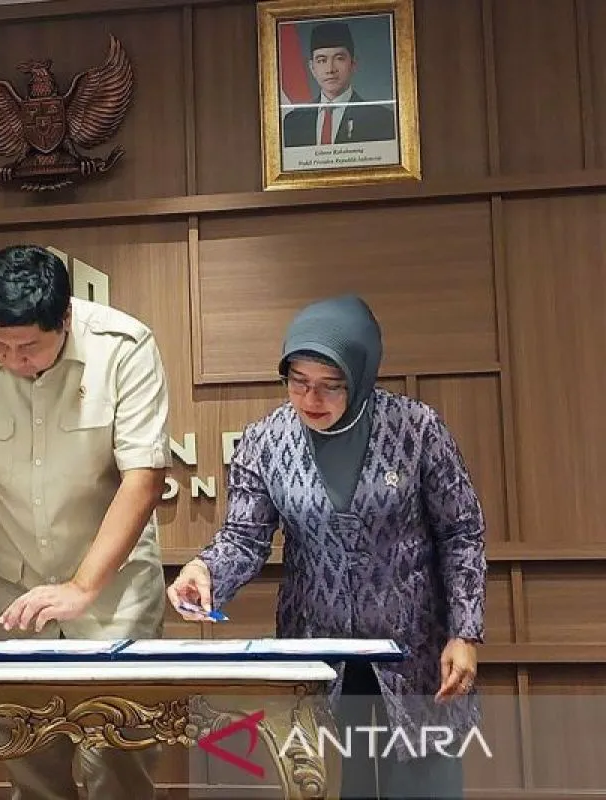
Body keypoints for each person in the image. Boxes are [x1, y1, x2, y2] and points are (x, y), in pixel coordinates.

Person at [168, 295, 486, 800]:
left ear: (360, 376)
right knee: (333, 785)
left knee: (425, 786)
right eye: (297, 381)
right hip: (318, 653)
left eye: (330, 384)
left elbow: (461, 533)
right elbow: (243, 537)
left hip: (417, 651)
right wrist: (206, 571)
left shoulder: (416, 429)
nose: (311, 398)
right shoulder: (266, 442)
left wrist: (464, 632)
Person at [0, 244, 171, 800]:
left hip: (114, 594)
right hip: (14, 593)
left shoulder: (124, 347)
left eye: (29, 346)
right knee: (28, 760)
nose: (13, 359)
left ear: (66, 319)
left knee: (117, 761)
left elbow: (143, 479)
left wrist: (82, 587)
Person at [281, 21, 397, 146]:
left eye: (339, 58)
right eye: (321, 60)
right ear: (312, 68)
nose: (330, 69)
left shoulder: (381, 119)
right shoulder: (293, 122)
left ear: (353, 64)